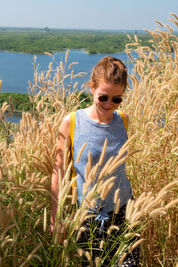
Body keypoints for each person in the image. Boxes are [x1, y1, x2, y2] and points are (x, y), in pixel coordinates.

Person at [50, 56, 139, 266]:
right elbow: (58, 172)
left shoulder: (123, 120)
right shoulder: (72, 122)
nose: (110, 104)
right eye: (104, 97)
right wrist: (56, 218)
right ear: (91, 88)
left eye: (117, 99)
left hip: (124, 211)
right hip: (89, 219)